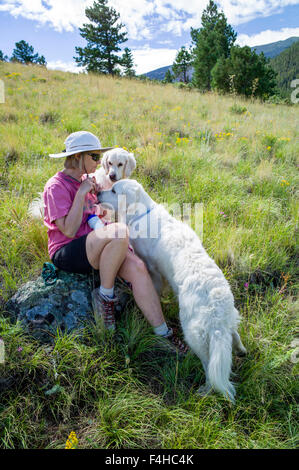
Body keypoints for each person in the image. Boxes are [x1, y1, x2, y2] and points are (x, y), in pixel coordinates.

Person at [43, 131, 188, 353]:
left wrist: (100, 203)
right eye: (94, 157)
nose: (99, 163)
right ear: (78, 157)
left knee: (139, 267)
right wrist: (81, 194)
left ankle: (163, 334)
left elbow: (98, 217)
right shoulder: (56, 186)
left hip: (101, 244)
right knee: (120, 230)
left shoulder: (88, 182)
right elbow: (69, 230)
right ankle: (105, 297)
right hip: (69, 251)